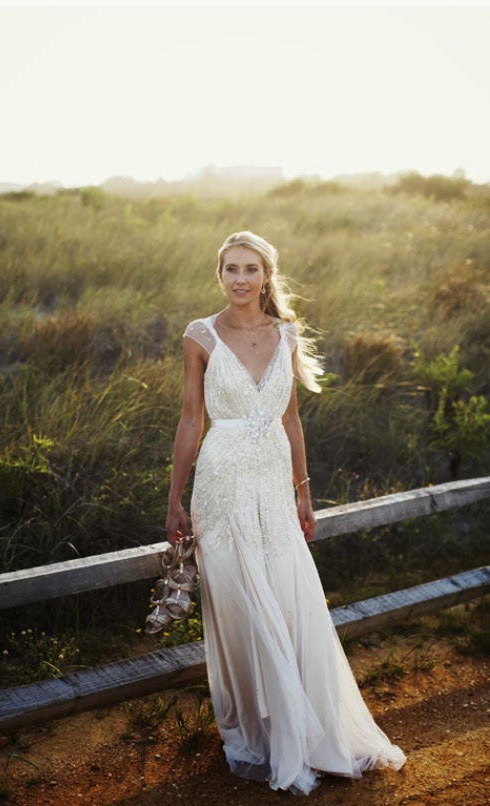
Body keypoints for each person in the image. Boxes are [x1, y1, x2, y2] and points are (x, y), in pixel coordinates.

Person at [165, 231, 406, 796]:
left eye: (251, 268)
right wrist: (174, 497)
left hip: (274, 488)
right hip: (221, 485)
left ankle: (303, 732)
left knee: (286, 600)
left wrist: (303, 491)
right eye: (231, 269)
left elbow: (292, 420)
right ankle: (266, 732)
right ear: (219, 275)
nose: (241, 278)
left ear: (267, 275)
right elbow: (190, 421)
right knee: (243, 606)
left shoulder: (287, 335)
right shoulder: (200, 335)